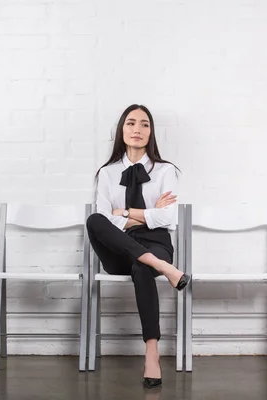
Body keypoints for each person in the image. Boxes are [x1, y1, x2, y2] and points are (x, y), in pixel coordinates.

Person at [86, 104, 190, 389]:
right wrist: (144, 215)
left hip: (156, 243)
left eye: (145, 124)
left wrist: (124, 213)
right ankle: (165, 268)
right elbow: (104, 220)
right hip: (118, 250)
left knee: (141, 268)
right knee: (94, 219)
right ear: (122, 130)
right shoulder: (107, 174)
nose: (137, 129)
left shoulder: (165, 171)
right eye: (131, 123)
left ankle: (152, 353)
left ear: (151, 132)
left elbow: (168, 218)